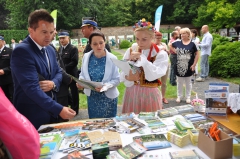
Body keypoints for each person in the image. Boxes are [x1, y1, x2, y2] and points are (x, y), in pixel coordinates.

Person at [11, 9, 76, 129]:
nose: (49, 36)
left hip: (51, 114)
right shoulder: (22, 51)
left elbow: (58, 72)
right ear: (31, 30)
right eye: (44, 32)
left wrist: (53, 83)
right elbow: (31, 89)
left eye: (51, 32)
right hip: (33, 116)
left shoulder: (50, 49)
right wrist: (59, 109)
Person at [121, 19, 168, 114]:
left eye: (144, 39)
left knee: (150, 123)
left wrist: (143, 59)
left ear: (152, 37)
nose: (140, 43)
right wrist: (127, 77)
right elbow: (122, 69)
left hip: (150, 94)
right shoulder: (131, 50)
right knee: (132, 124)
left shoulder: (160, 54)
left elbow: (153, 75)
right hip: (132, 92)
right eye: (137, 39)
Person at [77, 31, 120, 118]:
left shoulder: (113, 58)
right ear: (90, 45)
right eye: (95, 44)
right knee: (94, 125)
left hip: (108, 99)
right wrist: (81, 82)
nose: (99, 46)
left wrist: (105, 86)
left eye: (101, 43)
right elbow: (82, 74)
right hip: (93, 98)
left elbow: (117, 80)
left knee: (109, 126)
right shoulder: (86, 57)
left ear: (105, 42)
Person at [169, 28, 199, 103]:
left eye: (184, 33)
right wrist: (175, 51)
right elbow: (170, 44)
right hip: (179, 65)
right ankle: (179, 96)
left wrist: (194, 64)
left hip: (189, 65)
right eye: (181, 34)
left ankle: (188, 97)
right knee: (179, 82)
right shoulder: (177, 42)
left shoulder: (193, 43)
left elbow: (197, 54)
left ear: (188, 34)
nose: (182, 35)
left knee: (188, 82)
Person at [50, 29, 72, 115]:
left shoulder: (72, 48)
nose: (55, 33)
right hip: (59, 86)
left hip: (61, 83)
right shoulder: (49, 47)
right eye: (53, 30)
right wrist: (67, 78)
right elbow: (57, 67)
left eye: (63, 38)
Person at [58, 31, 79, 115]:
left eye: (63, 38)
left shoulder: (73, 48)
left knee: (74, 92)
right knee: (65, 92)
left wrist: (63, 69)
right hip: (64, 75)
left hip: (71, 74)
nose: (62, 40)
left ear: (68, 38)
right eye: (60, 38)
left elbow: (74, 62)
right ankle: (67, 108)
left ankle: (75, 110)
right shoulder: (60, 49)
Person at [154, 31, 170, 104]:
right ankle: (156, 97)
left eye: (160, 38)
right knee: (156, 82)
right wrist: (160, 49)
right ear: (154, 37)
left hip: (165, 65)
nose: (159, 39)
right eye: (157, 38)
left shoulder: (164, 44)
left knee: (164, 83)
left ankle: (163, 97)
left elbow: (168, 53)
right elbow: (152, 55)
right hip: (156, 66)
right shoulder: (152, 45)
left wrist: (166, 50)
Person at [0, 36, 14, 103]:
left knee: (11, 99)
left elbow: (14, 65)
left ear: (2, 42)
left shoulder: (10, 51)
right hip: (0, 82)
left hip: (8, 81)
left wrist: (4, 70)